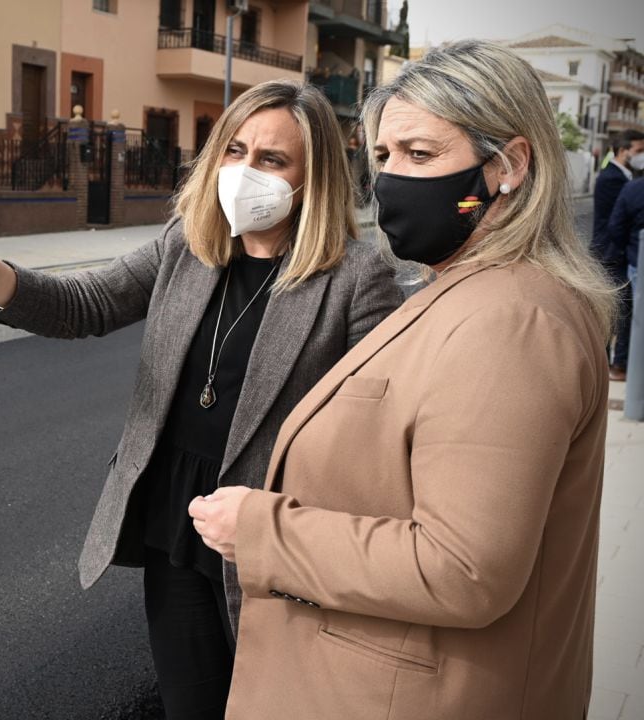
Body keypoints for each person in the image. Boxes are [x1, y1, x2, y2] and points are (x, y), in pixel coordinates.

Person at [0, 79, 402, 719]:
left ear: (313, 180)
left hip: (267, 533)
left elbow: (376, 433)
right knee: (190, 703)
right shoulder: (187, 246)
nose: (243, 171)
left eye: (271, 159)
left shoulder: (357, 278)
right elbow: (88, 303)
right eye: (234, 149)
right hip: (178, 514)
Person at [190, 40, 616, 718]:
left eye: (420, 155)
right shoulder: (467, 290)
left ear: (508, 165)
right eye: (384, 157)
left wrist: (264, 532)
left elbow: (464, 569)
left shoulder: (510, 324)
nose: (391, 180)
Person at [593, 128, 644, 380]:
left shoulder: (624, 177)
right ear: (624, 151)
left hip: (618, 252)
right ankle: (609, 365)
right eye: (638, 150)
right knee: (614, 313)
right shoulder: (612, 178)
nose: (641, 156)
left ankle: (613, 364)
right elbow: (617, 222)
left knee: (620, 312)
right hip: (610, 253)